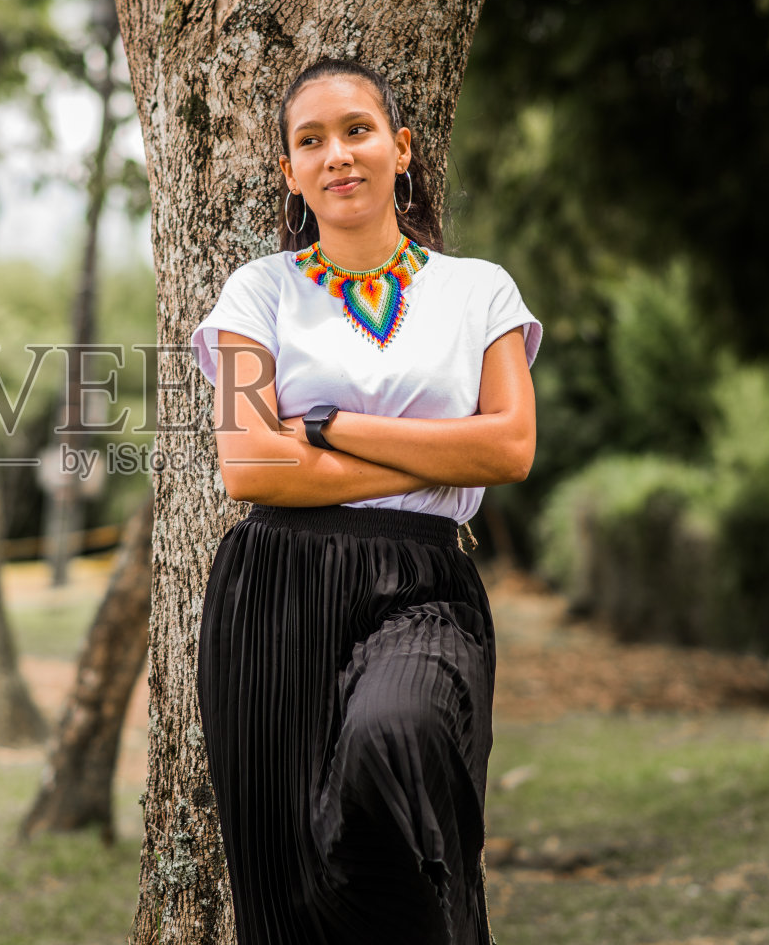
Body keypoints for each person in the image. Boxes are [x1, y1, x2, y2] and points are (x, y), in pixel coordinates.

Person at [187, 56, 541, 945]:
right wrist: (441, 459)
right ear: (290, 172)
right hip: (274, 591)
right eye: (311, 141)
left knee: (403, 737)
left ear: (401, 148)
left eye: (357, 130)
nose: (337, 155)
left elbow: (509, 445)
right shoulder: (254, 292)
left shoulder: (478, 290)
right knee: (289, 879)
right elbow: (248, 469)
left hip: (423, 583)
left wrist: (329, 423)